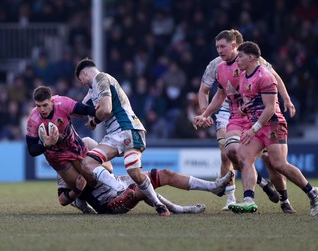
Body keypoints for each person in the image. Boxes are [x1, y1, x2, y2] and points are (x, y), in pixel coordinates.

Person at [197, 29, 296, 213]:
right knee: (228, 152)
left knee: (272, 163)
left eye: (222, 46)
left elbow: (274, 78)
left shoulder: (253, 62)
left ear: (235, 46)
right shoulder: (215, 66)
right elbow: (207, 91)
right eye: (217, 47)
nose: (219, 50)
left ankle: (283, 196)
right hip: (230, 110)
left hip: (255, 110)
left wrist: (286, 99)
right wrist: (205, 113)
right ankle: (232, 198)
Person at [229, 41, 318, 216]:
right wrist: (245, 108)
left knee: (279, 164)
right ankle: (249, 200)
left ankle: (312, 192)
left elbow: (270, 108)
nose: (237, 60)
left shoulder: (265, 76)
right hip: (255, 125)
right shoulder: (242, 76)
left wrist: (253, 129)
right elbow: (252, 100)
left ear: (251, 58)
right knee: (244, 158)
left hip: (273, 124)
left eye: (240, 56)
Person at [74, 58, 170, 216]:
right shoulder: (94, 90)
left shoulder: (101, 79)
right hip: (116, 135)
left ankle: (123, 189)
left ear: (84, 73)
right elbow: (82, 109)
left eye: (81, 80)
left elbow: (105, 109)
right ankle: (158, 204)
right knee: (89, 163)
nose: (83, 83)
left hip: (127, 130)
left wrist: (94, 121)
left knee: (134, 173)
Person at [57, 138, 235, 215]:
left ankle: (213, 187)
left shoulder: (87, 143)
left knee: (165, 174)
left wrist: (89, 164)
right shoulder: (63, 166)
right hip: (106, 201)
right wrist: (76, 192)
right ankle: (177, 209)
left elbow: (109, 168)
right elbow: (63, 200)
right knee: (139, 189)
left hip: (118, 182)